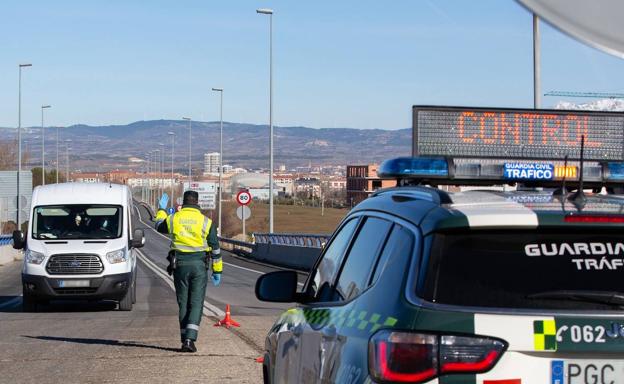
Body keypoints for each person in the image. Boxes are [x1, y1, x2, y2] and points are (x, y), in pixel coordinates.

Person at [154, 190, 222, 353]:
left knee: (183, 302)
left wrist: (161, 210)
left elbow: (158, 226)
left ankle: (184, 339)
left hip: (180, 266)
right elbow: (216, 248)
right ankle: (190, 339)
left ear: (183, 202)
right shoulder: (206, 221)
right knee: (196, 302)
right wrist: (217, 270)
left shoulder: (175, 218)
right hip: (199, 266)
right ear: (197, 203)